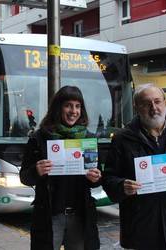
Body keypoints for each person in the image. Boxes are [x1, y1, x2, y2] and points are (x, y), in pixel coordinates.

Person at [102, 83, 166, 250]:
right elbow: (108, 178)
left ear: (165, 103)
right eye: (146, 104)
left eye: (157, 101)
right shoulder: (122, 139)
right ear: (136, 107)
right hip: (140, 230)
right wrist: (121, 185)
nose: (154, 108)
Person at [20, 86, 101, 250]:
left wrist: (97, 177)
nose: (73, 111)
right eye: (68, 105)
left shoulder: (88, 139)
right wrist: (36, 170)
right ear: (58, 108)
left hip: (80, 215)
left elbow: (96, 178)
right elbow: (24, 177)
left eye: (78, 106)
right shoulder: (39, 138)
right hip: (50, 216)